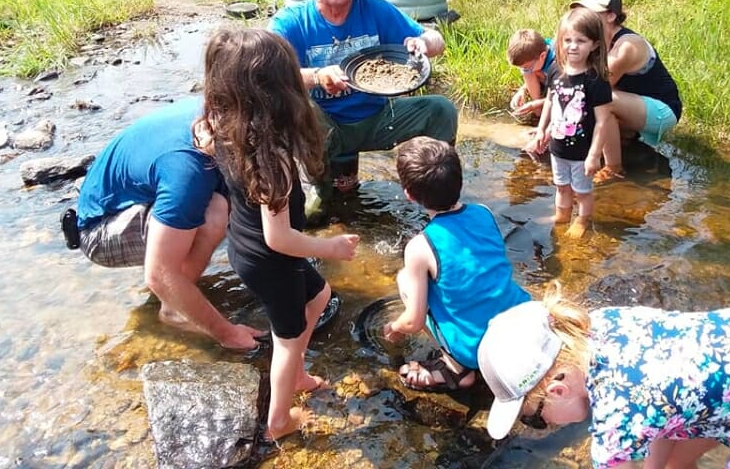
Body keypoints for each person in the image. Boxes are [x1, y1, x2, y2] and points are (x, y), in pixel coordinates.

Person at [477, 286, 730, 467]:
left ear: (557, 391)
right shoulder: (599, 326)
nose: (539, 425)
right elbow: (662, 413)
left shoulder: (616, 416)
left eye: (534, 418)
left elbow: (636, 418)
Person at [200, 27, 360, 440]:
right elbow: (281, 238)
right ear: (279, 93)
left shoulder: (221, 127)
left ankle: (299, 374)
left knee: (321, 295)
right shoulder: (275, 160)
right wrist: (332, 247)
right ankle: (278, 422)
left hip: (243, 245)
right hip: (271, 261)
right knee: (286, 341)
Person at [268, 0, 459, 220]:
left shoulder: (374, 10)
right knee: (297, 110)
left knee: (441, 109)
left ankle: (435, 193)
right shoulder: (292, 21)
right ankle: (320, 186)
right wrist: (317, 77)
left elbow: (437, 40)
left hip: (379, 119)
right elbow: (270, 74)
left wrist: (421, 42)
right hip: (326, 127)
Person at [73, 97, 266, 350]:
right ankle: (174, 311)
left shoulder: (220, 108)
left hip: (136, 200)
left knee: (227, 203)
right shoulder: (189, 172)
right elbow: (158, 275)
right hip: (99, 230)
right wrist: (227, 334)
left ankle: (180, 290)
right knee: (215, 212)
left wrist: (318, 77)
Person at [382, 136, 530, 392]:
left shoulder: (420, 246)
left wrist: (393, 328)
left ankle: (456, 368)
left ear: (409, 195)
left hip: (475, 349)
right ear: (459, 180)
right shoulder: (483, 211)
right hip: (520, 321)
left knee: (406, 279)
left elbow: (414, 322)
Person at [571, 0, 682, 184]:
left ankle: (614, 168)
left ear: (611, 15)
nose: (583, 16)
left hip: (663, 111)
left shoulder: (626, 46)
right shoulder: (597, 40)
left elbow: (596, 88)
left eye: (590, 12)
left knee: (604, 100)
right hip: (635, 103)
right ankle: (625, 140)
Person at [523, 7, 613, 238]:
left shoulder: (595, 80)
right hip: (558, 149)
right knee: (561, 187)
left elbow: (603, 121)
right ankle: (562, 216)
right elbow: (551, 102)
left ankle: (583, 220)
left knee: (582, 192)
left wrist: (594, 155)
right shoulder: (556, 71)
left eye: (581, 41)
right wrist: (542, 129)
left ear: (594, 45)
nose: (573, 46)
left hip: (582, 153)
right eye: (568, 40)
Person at [506, 28, 556, 125]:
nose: (525, 71)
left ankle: (541, 114)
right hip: (547, 77)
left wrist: (536, 104)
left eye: (526, 68)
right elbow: (530, 70)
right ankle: (539, 115)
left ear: (542, 56)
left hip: (567, 86)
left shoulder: (558, 63)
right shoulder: (535, 54)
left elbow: (565, 95)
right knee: (530, 72)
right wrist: (523, 90)